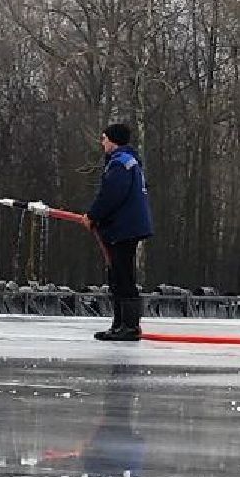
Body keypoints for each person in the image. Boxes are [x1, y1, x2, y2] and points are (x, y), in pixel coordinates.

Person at [80, 122, 152, 341]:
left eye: (104, 139)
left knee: (122, 276)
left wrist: (92, 215)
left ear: (113, 140)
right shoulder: (129, 161)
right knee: (118, 275)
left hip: (124, 228)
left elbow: (111, 195)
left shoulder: (120, 164)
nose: (102, 143)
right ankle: (120, 324)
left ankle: (129, 326)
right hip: (126, 226)